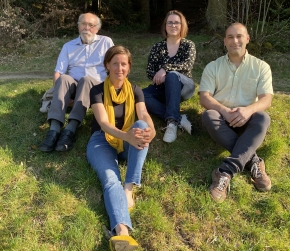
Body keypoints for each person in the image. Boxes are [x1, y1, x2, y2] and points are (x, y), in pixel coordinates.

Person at [86, 45, 156, 251]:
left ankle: (129, 187)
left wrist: (151, 129)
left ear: (129, 67)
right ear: (107, 65)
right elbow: (104, 123)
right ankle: (123, 235)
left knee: (142, 127)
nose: (119, 68)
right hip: (101, 140)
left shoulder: (135, 90)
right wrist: (126, 135)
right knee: (110, 179)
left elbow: (142, 114)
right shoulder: (97, 90)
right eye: (115, 63)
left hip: (127, 140)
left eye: (123, 64)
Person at [199, 22, 273, 203]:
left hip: (248, 120)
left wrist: (248, 111)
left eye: (239, 36)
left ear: (247, 39)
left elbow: (266, 99)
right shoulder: (213, 67)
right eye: (230, 37)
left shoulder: (261, 67)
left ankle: (225, 171)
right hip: (221, 119)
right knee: (208, 115)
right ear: (224, 41)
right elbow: (204, 97)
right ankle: (253, 161)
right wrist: (224, 111)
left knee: (263, 117)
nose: (235, 41)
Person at [39, 13, 114, 152]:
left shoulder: (106, 42)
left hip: (96, 87)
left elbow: (114, 67)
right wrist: (59, 93)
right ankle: (54, 130)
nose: (87, 28)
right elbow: (58, 72)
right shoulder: (68, 46)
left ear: (97, 28)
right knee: (64, 78)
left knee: (86, 80)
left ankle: (70, 130)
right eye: (83, 24)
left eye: (91, 25)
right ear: (78, 26)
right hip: (73, 86)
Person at [142, 10, 196, 143]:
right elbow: (150, 71)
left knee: (172, 75)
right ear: (165, 26)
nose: (173, 25)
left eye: (176, 22)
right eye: (170, 22)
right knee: (139, 95)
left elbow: (186, 65)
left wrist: (165, 69)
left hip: (184, 87)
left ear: (182, 25)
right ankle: (178, 118)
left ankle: (171, 124)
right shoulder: (158, 47)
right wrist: (161, 75)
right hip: (163, 88)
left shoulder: (188, 45)